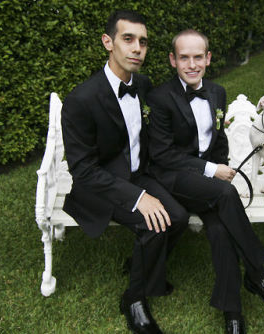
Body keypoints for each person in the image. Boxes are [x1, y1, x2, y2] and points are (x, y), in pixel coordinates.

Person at [146, 29, 264, 334]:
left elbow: (217, 139)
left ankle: (233, 314)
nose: (191, 64)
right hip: (173, 178)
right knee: (227, 196)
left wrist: (220, 163)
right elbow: (162, 154)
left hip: (208, 185)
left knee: (220, 228)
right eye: (183, 58)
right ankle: (259, 275)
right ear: (172, 60)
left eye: (197, 57)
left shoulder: (217, 92)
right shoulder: (159, 98)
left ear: (208, 58)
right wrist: (211, 170)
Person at [61, 10, 189, 334]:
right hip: (101, 185)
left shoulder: (143, 85)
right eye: (128, 39)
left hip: (138, 174)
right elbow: (83, 171)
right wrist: (137, 199)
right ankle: (134, 300)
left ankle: (142, 267)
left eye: (143, 42)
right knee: (155, 225)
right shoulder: (81, 99)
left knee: (179, 217)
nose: (137, 49)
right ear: (108, 42)